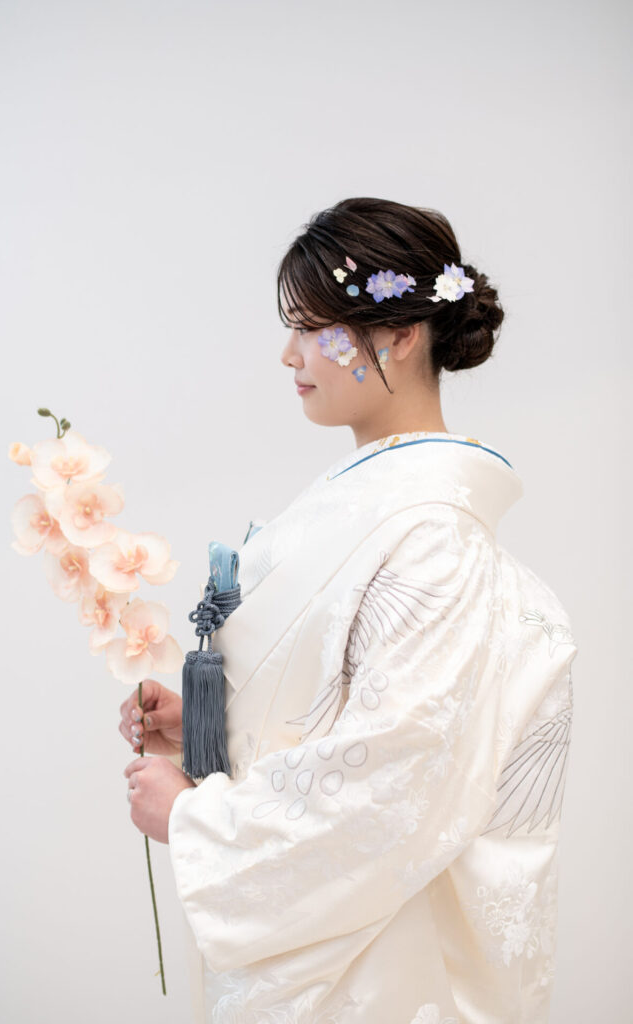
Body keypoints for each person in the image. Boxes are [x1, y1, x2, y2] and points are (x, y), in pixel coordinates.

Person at [119, 197, 578, 1023]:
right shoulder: (371, 506)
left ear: (398, 334)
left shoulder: (433, 536)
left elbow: (397, 772)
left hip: (373, 968)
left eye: (309, 328)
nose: (288, 354)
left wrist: (196, 819)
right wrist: (209, 728)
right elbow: (335, 706)